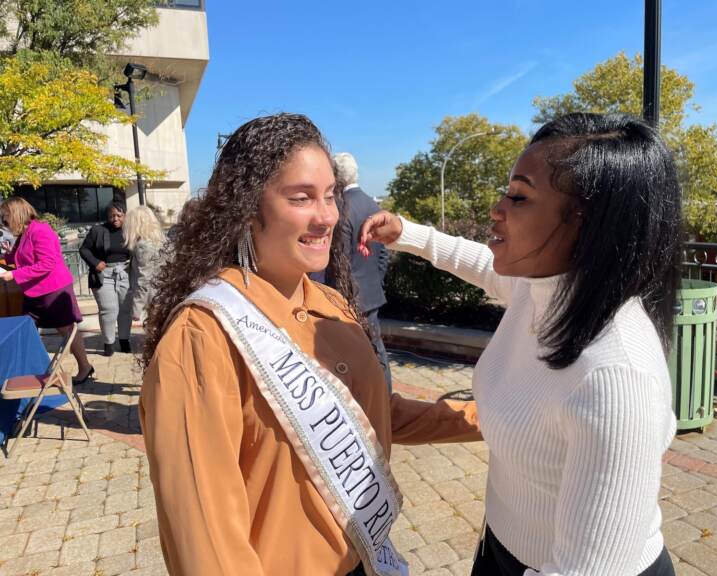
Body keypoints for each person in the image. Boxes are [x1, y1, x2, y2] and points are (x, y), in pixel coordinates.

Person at [138, 113, 481, 576]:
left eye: (330, 196)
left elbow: (374, 412)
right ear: (245, 207)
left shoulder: (331, 304)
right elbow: (205, 539)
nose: (326, 217)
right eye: (301, 198)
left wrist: (488, 418)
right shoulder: (203, 336)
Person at [360, 113, 680, 576]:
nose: (497, 208)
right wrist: (408, 234)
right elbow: (481, 264)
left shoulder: (615, 375)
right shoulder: (546, 289)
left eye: (519, 196)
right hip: (503, 548)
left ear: (586, 224)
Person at [0, 197, 94, 384]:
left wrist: (15, 275)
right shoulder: (25, 233)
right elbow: (22, 259)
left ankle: (84, 367)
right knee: (25, 328)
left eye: (5, 217)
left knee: (66, 329)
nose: (4, 222)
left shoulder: (40, 230)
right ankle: (30, 371)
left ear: (17, 214)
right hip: (34, 292)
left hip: (54, 290)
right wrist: (7, 254)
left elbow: (47, 263)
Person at [326, 152, 392, 391]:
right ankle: (387, 399)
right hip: (371, 293)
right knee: (377, 352)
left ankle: (378, 403)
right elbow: (384, 254)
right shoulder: (372, 204)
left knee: (357, 357)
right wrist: (373, 281)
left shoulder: (342, 208)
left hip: (350, 297)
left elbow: (338, 260)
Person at [79, 202, 132, 356]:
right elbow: (84, 249)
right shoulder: (98, 230)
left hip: (125, 273)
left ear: (125, 216)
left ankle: (124, 340)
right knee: (109, 309)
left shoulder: (130, 231)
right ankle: (109, 343)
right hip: (104, 274)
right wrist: (95, 263)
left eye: (119, 215)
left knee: (125, 309)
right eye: (111, 216)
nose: (115, 219)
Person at [123, 206, 165, 324]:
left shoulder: (142, 246)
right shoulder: (160, 241)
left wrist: (136, 308)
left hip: (153, 298)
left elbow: (144, 279)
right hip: (163, 294)